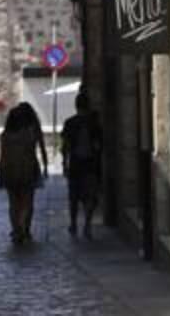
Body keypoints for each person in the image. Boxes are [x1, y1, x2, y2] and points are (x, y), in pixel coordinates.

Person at [0, 103, 48, 244]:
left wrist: (2, 171)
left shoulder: (6, 134)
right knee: (28, 201)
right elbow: (42, 147)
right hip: (29, 167)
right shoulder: (32, 131)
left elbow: (3, 154)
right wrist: (45, 165)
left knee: (13, 203)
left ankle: (16, 229)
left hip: (9, 169)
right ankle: (25, 228)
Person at [61, 92, 103, 239]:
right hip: (90, 164)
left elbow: (65, 146)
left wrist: (64, 163)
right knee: (90, 196)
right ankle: (87, 225)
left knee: (73, 196)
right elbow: (99, 145)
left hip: (75, 164)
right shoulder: (94, 124)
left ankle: (73, 224)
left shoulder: (70, 123)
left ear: (76, 105)